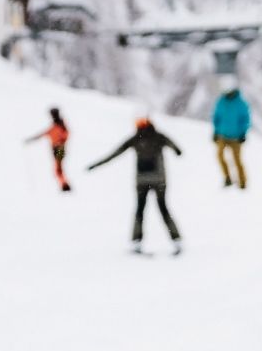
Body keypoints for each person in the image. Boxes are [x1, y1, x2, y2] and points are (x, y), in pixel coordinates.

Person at [87, 116, 183, 254]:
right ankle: (176, 240)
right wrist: (177, 151)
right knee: (163, 209)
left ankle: (136, 241)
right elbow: (176, 148)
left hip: (142, 181)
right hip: (159, 180)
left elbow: (114, 154)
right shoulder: (158, 136)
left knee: (140, 211)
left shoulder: (136, 138)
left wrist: (95, 165)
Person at [213, 82, 251, 189]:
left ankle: (243, 182)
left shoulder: (241, 103)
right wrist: (215, 132)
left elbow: (246, 120)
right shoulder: (221, 101)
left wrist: (243, 133)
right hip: (222, 135)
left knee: (237, 160)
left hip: (236, 137)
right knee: (220, 156)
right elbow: (216, 117)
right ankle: (227, 178)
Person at [26, 107, 72, 192]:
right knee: (58, 169)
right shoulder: (56, 126)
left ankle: (65, 185)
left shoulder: (60, 126)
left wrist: (60, 143)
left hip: (59, 149)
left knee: (58, 169)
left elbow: (65, 135)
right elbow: (44, 133)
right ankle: (64, 185)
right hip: (57, 149)